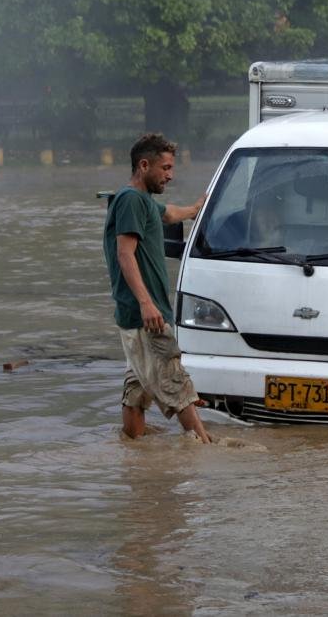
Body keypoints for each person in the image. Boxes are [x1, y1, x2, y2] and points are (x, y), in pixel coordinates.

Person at [103, 132, 211, 443]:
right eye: (164, 168)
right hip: (146, 315)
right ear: (144, 165)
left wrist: (197, 208)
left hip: (135, 314)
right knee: (176, 383)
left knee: (136, 390)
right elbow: (125, 254)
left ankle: (135, 456)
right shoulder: (131, 201)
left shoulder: (143, 202)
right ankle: (203, 450)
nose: (170, 175)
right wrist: (147, 303)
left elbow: (171, 213)